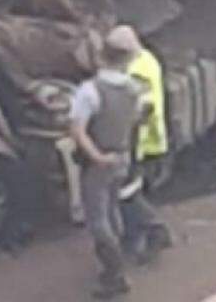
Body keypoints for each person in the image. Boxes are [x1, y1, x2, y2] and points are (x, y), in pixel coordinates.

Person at [70, 25, 147, 299]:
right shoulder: (133, 90)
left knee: (97, 219)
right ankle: (117, 262)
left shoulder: (89, 91)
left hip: (98, 164)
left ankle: (114, 273)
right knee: (113, 209)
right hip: (122, 158)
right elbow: (136, 119)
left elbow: (77, 131)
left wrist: (96, 156)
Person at [120, 45, 173, 264]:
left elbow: (140, 111)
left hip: (141, 144)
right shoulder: (146, 59)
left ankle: (155, 229)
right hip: (146, 142)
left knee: (126, 195)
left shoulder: (135, 72)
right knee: (130, 193)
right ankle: (134, 239)